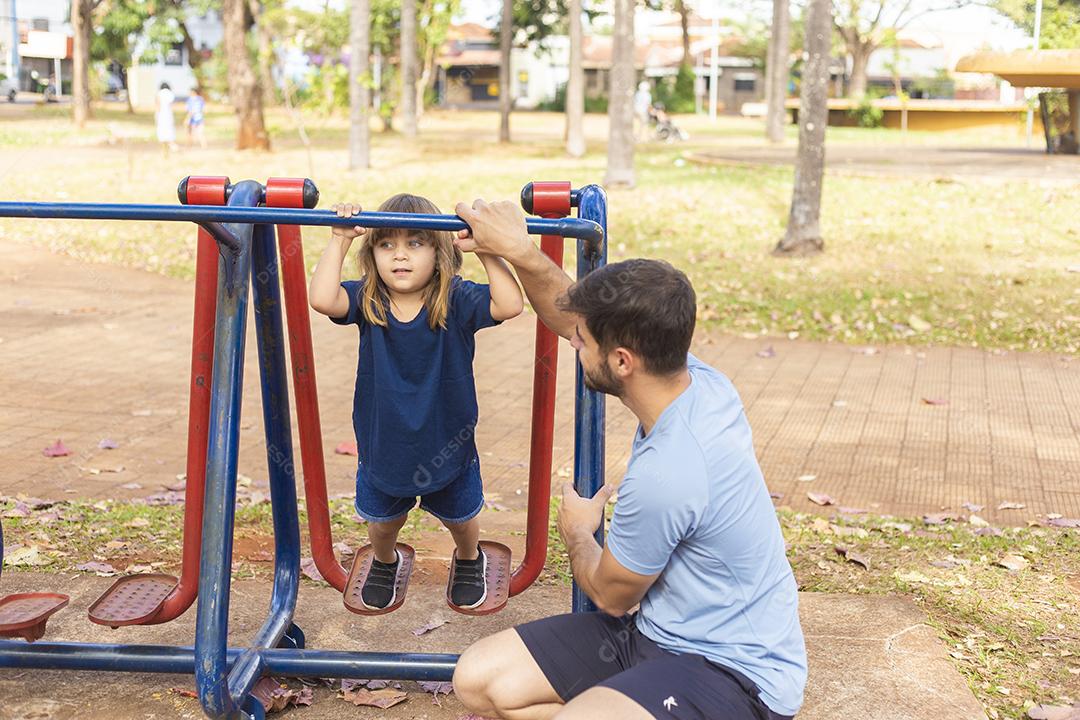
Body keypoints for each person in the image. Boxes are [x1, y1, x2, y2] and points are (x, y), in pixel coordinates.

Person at [450, 200, 807, 720]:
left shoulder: (670, 472)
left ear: (621, 361)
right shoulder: (698, 382)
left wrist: (577, 533)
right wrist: (520, 251)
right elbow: (569, 312)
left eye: (583, 340)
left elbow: (611, 596)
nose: (572, 340)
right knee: (480, 681)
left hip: (733, 672)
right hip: (653, 636)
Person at [308, 194, 524, 610]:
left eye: (416, 243)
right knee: (383, 522)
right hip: (384, 443)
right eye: (386, 244)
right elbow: (322, 299)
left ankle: (467, 558)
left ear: (440, 253)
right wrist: (339, 240)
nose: (400, 255)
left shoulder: (457, 300)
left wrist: (488, 251)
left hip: (449, 440)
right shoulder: (370, 301)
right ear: (372, 255)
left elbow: (510, 305)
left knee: (461, 518)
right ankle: (385, 562)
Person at [154, 82, 177, 154]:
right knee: (169, 130)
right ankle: (171, 145)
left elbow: (158, 105)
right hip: (169, 115)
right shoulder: (170, 94)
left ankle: (164, 149)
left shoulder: (159, 94)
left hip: (161, 115)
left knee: (162, 131)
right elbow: (171, 105)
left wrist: (156, 115)